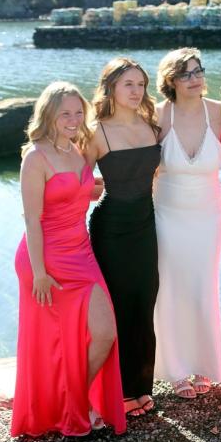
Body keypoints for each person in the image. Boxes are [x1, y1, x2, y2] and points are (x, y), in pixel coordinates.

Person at [11, 82, 126, 437]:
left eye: (78, 112)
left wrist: (92, 189)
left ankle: (71, 400)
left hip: (81, 252)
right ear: (49, 115)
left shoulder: (77, 150)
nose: (74, 119)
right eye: (65, 113)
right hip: (45, 259)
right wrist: (41, 274)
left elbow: (72, 195)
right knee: (54, 342)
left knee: (104, 334)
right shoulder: (36, 157)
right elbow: (31, 219)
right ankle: (66, 406)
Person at [83, 58, 161, 417]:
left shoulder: (151, 124)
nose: (136, 91)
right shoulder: (96, 131)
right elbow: (76, 182)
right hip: (110, 228)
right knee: (117, 307)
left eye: (141, 84)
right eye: (128, 84)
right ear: (111, 86)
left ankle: (140, 384)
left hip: (145, 225)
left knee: (143, 303)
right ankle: (118, 391)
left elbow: (153, 175)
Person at [153, 48, 221, 398]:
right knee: (170, 288)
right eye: (185, 74)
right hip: (168, 214)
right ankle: (175, 370)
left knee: (202, 286)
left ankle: (205, 364)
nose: (195, 79)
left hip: (209, 215)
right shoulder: (158, 116)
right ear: (171, 81)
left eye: (198, 71)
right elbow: (138, 163)